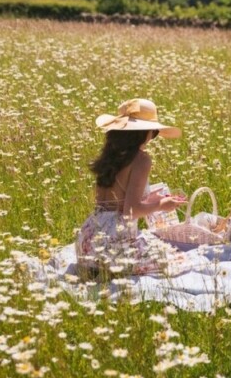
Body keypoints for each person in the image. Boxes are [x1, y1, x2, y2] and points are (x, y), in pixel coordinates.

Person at [75, 98, 186, 276]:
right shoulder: (141, 160)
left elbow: (113, 204)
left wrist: (149, 199)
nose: (153, 137)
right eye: (154, 132)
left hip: (87, 241)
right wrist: (161, 205)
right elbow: (130, 211)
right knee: (176, 259)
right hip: (114, 243)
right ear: (144, 133)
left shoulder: (109, 156)